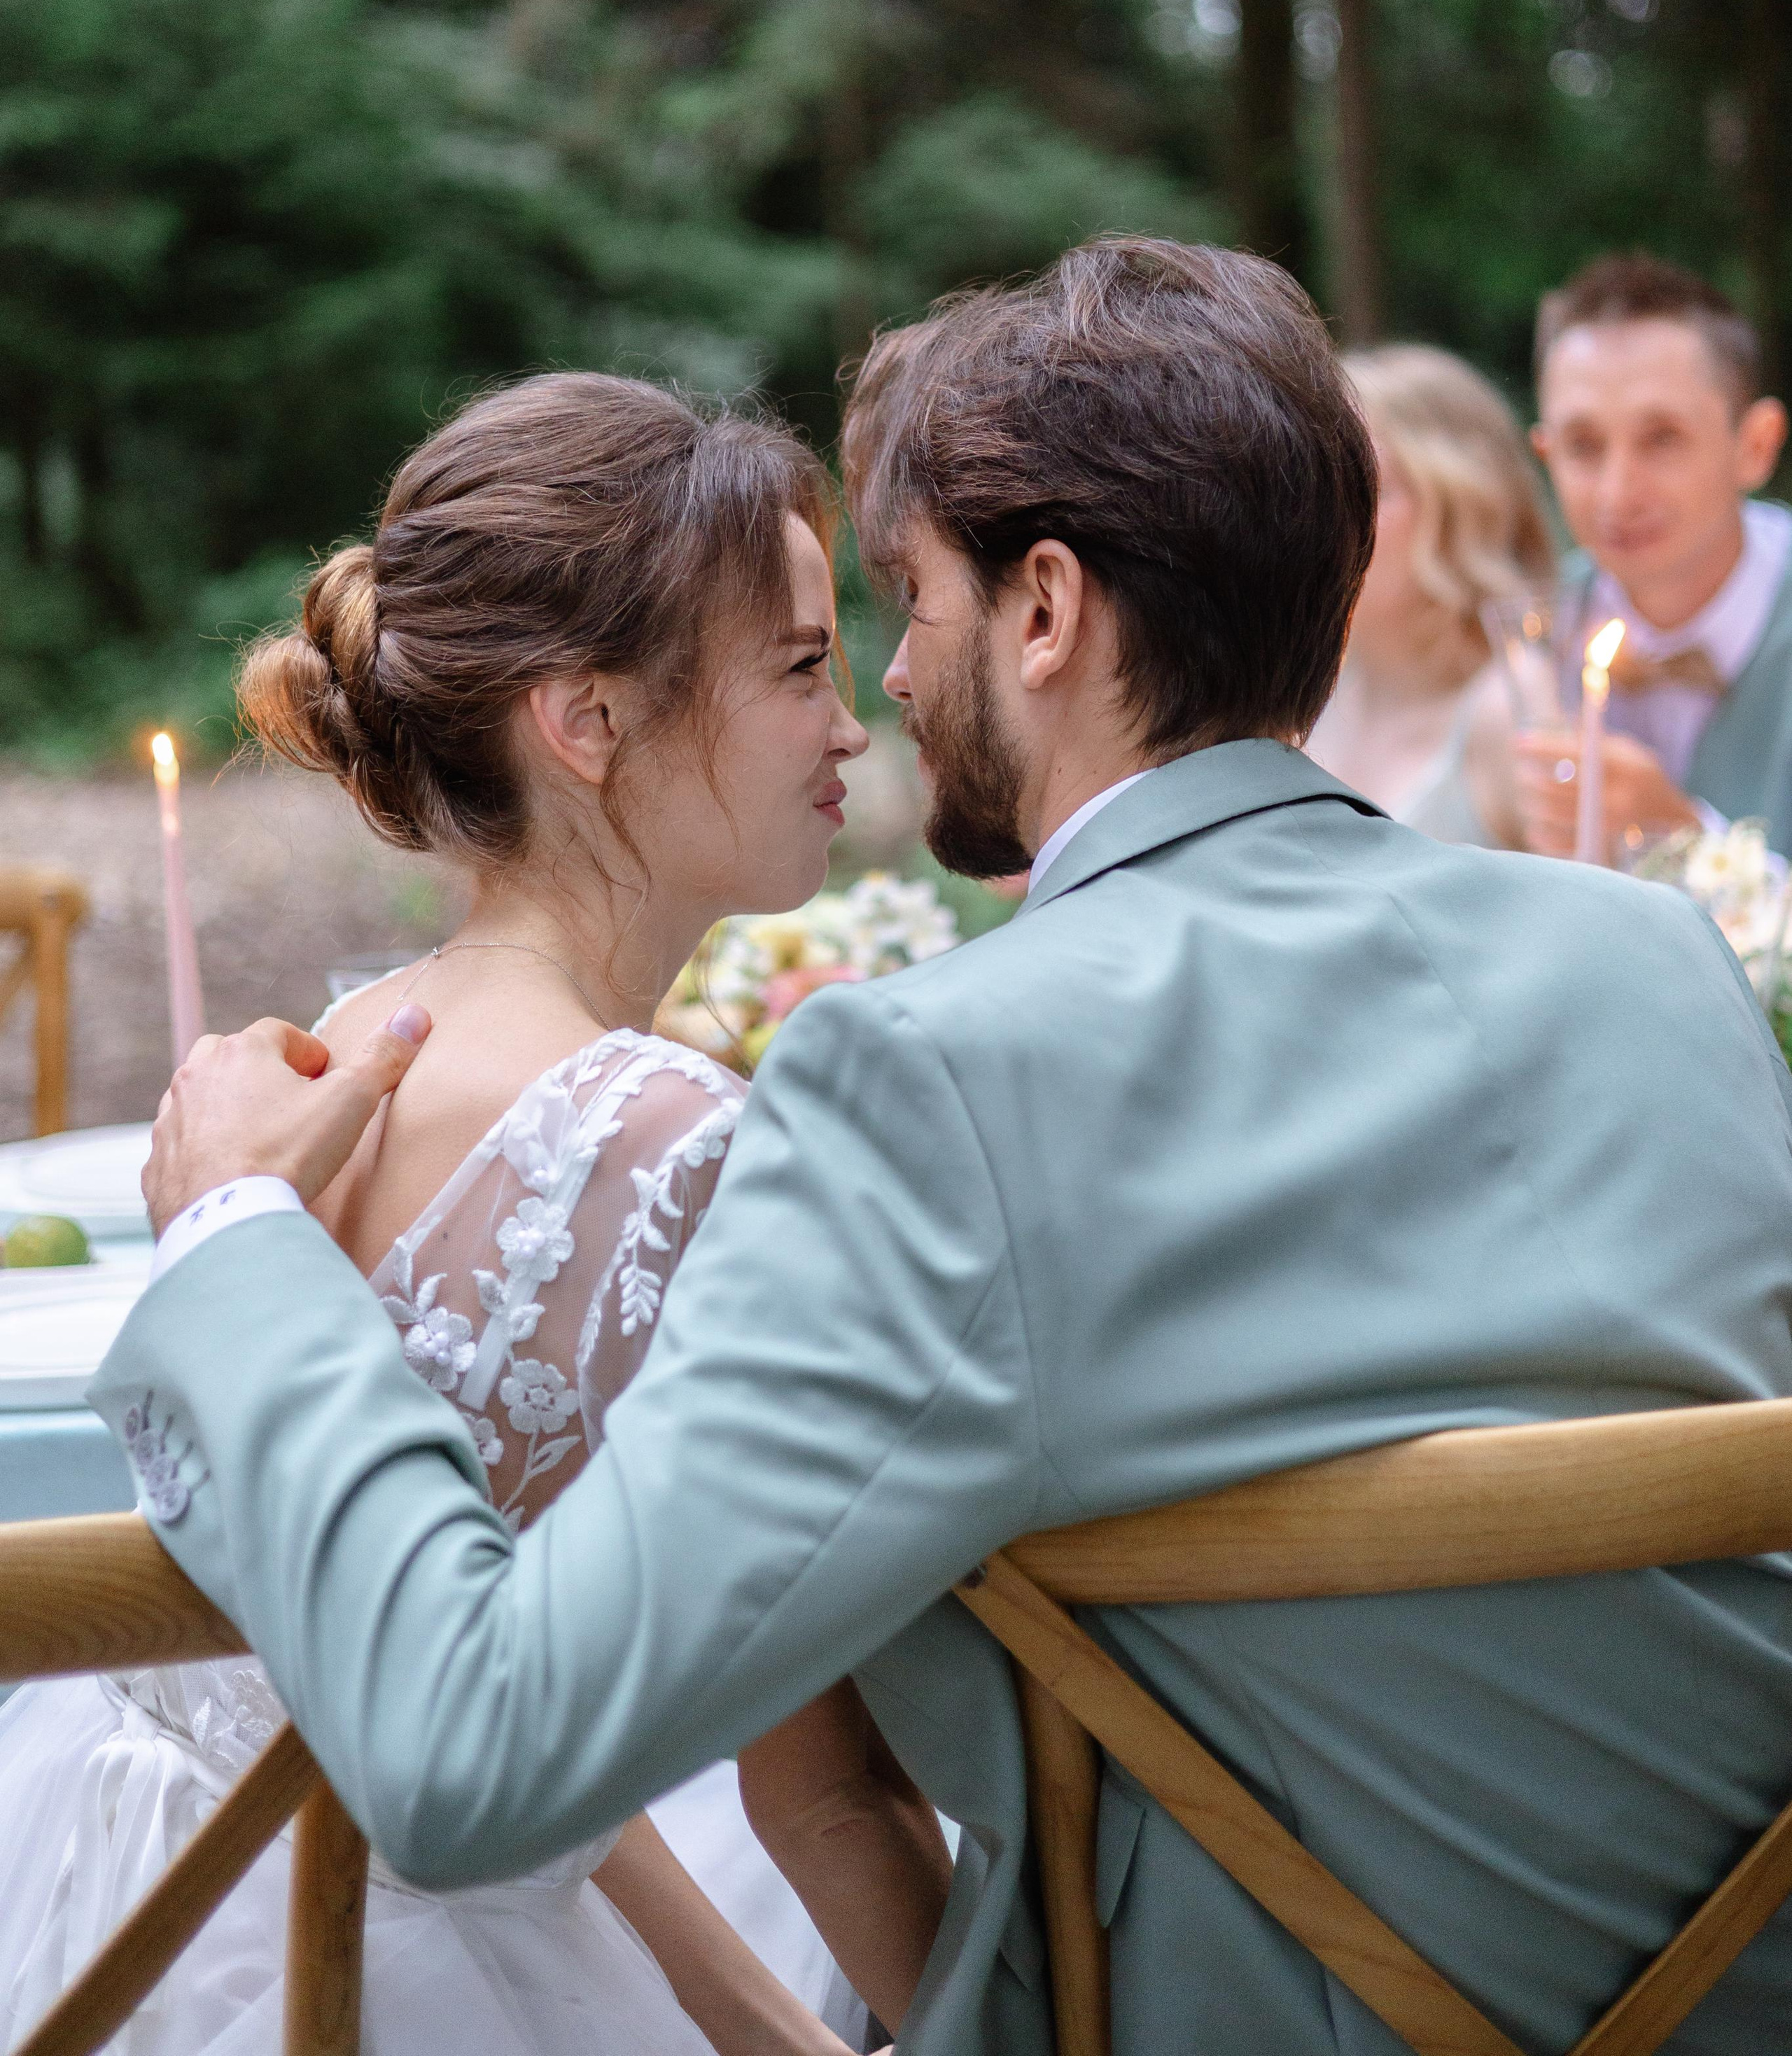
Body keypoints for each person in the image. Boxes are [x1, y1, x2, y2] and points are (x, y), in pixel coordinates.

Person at [97, 240, 1792, 2054]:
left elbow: (469, 1753)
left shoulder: (929, 1087)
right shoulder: (1665, 967)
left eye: (913, 599)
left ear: (1046, 611)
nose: (892, 684)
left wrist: (246, 1243)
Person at [0, 372, 955, 2056]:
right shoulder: (676, 1141)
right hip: (370, 1977)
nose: (850, 723)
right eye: (800, 666)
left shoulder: (327, 1056)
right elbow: (819, 1782)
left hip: (132, 1914)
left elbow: (486, 1685)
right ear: (586, 721)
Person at [1515, 251, 1792, 860]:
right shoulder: (1532, 637)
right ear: (1546, 456)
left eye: (1662, 438)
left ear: (1755, 445)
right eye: (1583, 446)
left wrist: (1686, 837)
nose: (1618, 493)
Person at [1307, 344, 1554, 844]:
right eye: (1314, 481)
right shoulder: (1308, 690)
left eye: (1364, 489)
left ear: (1463, 509)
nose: (1323, 515)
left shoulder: (1513, 705)